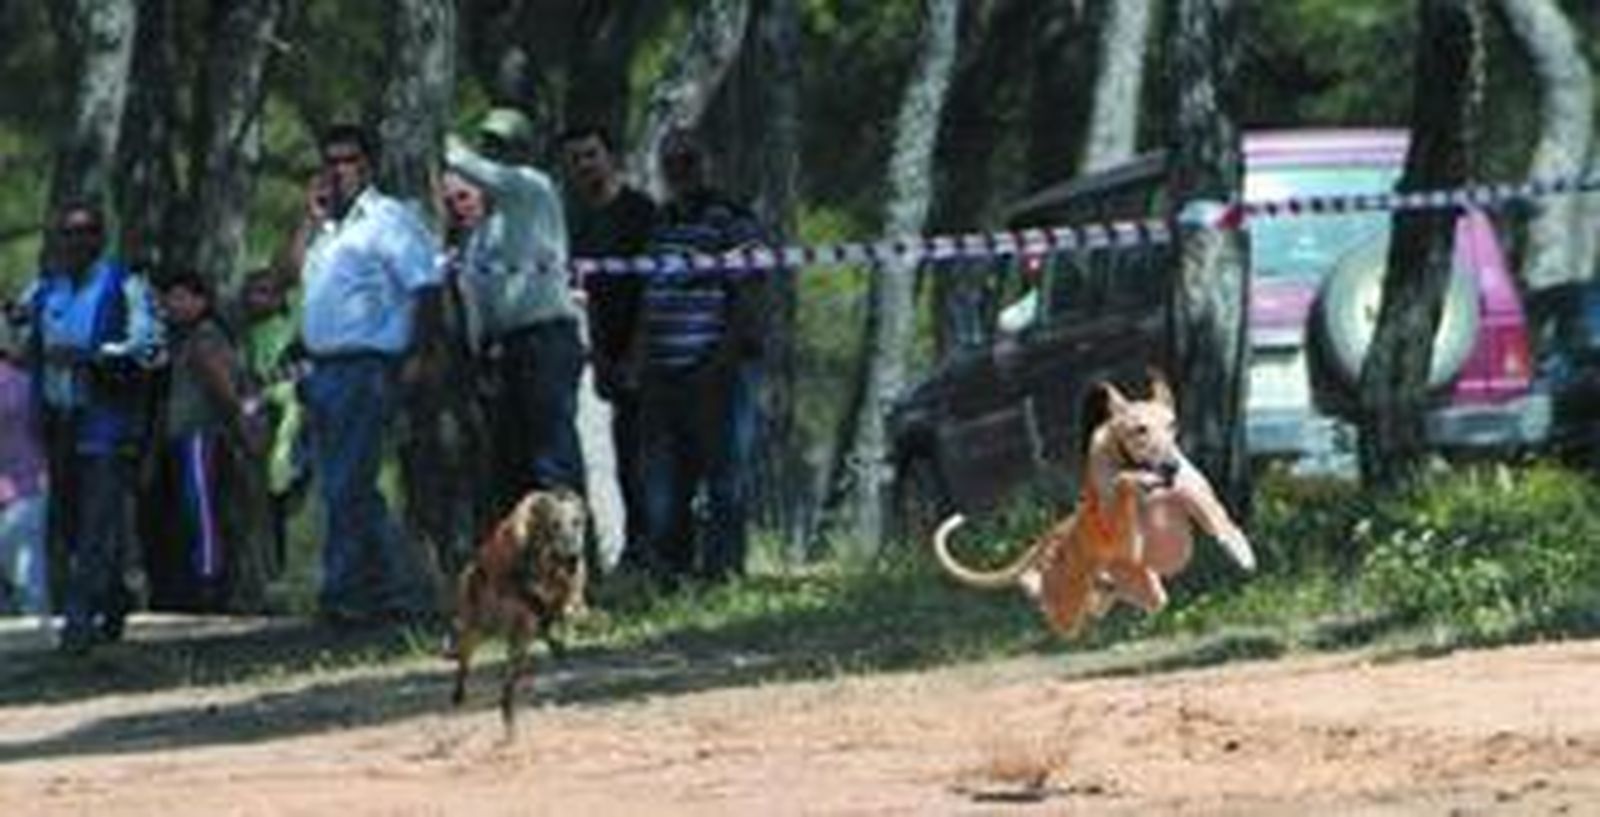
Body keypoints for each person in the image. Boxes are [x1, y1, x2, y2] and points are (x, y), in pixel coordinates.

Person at [280, 123, 445, 624]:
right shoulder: (328, 229)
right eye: (329, 160)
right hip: (322, 368)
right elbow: (289, 274)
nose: (337, 169)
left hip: (367, 365)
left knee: (347, 483)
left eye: (348, 159)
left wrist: (419, 354)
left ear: (368, 164)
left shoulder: (389, 220)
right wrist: (310, 221)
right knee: (343, 484)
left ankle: (344, 592)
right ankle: (401, 588)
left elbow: (427, 286)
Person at [24, 201, 165, 653]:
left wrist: (92, 356)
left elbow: (149, 348)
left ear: (101, 237)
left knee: (97, 522)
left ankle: (79, 620)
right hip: (57, 420)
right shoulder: (47, 289)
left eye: (85, 232)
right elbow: (15, 326)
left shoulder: (125, 284)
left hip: (105, 420)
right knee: (67, 523)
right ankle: (113, 595)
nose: (75, 241)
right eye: (67, 232)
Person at [634, 128, 768, 585]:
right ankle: (671, 571)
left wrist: (722, 362)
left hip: (719, 368)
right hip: (664, 371)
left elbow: (748, 295)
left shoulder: (731, 218)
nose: (680, 169)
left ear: (706, 162)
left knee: (725, 477)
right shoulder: (661, 222)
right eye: (671, 161)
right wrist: (641, 360)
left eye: (688, 159)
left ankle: (723, 574)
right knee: (665, 481)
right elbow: (647, 295)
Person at [446, 107, 587, 514]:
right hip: (505, 349)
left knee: (552, 458)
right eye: (489, 144)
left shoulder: (533, 187)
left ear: (524, 150)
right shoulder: (484, 231)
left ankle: (573, 558)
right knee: (513, 464)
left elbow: (469, 166)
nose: (494, 154)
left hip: (546, 339)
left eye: (503, 146)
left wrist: (440, 135)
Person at [559, 125, 659, 574]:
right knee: (623, 458)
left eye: (591, 155)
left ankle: (662, 552)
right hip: (606, 348)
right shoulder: (577, 219)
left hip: (651, 349)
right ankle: (635, 551)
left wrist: (638, 354)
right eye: (575, 159)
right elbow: (589, 293)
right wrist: (600, 357)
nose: (584, 166)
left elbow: (653, 290)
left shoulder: (639, 211)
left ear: (610, 156)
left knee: (650, 458)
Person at [145, 270, 262, 613]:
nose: (171, 304)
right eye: (167, 297)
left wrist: (241, 425)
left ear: (201, 301)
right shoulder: (177, 340)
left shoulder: (205, 337)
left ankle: (210, 583)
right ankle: (190, 583)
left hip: (201, 435)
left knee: (203, 512)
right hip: (180, 436)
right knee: (189, 511)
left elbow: (222, 388)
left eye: (180, 296)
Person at [0, 305, 49, 624]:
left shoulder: (21, 385)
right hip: (27, 485)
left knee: (24, 567)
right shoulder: (28, 384)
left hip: (23, 487)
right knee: (26, 569)